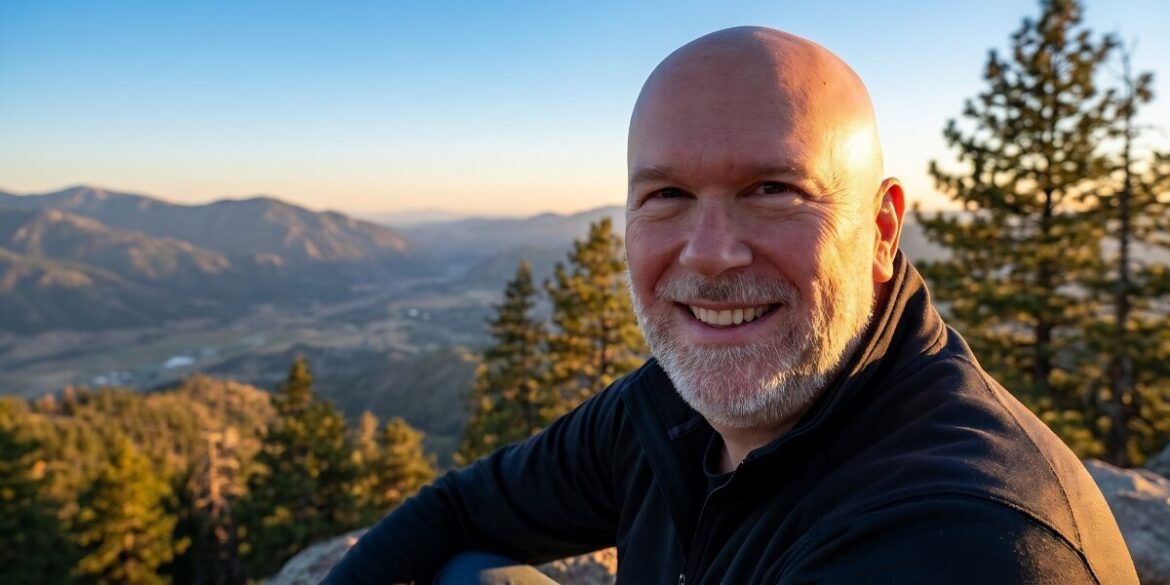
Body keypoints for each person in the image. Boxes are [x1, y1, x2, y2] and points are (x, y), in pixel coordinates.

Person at [325, 27, 1138, 584]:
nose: (711, 252)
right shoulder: (666, 414)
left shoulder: (963, 540)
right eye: (668, 193)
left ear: (882, 229)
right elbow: (463, 507)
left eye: (774, 189)